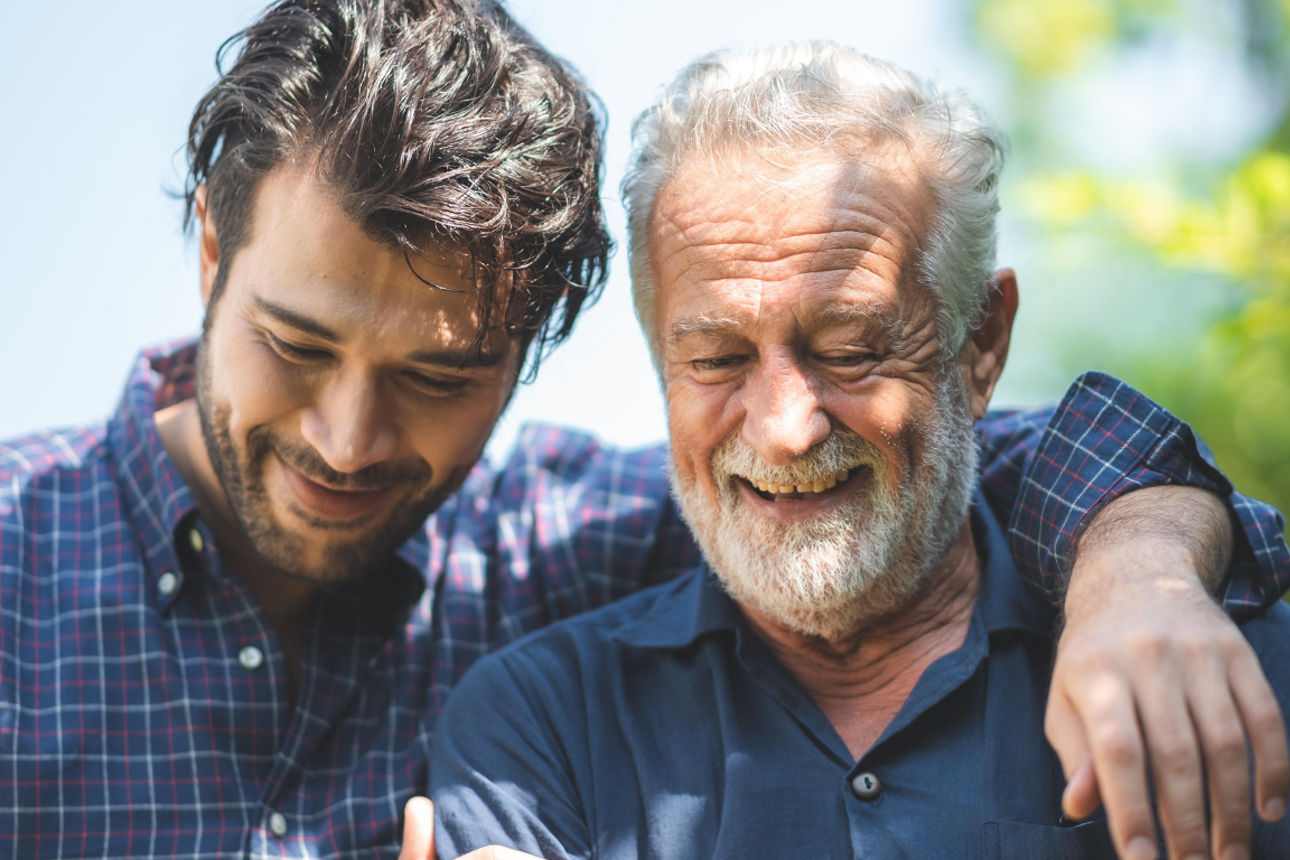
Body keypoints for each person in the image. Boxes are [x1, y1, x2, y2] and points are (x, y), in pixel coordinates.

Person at [0, 2, 1283, 857]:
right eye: (296, 345)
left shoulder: (570, 539)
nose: (346, 438)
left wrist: (1140, 569)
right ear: (213, 254)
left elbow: (928, 459)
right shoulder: (16, 568)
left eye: (439, 376)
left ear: (527, 362)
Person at [428, 44, 1290, 860]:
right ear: (660, 363)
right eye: (718, 359)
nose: (784, 429)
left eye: (848, 351)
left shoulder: (1199, 668)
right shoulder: (540, 727)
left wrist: (1146, 562)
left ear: (980, 345)